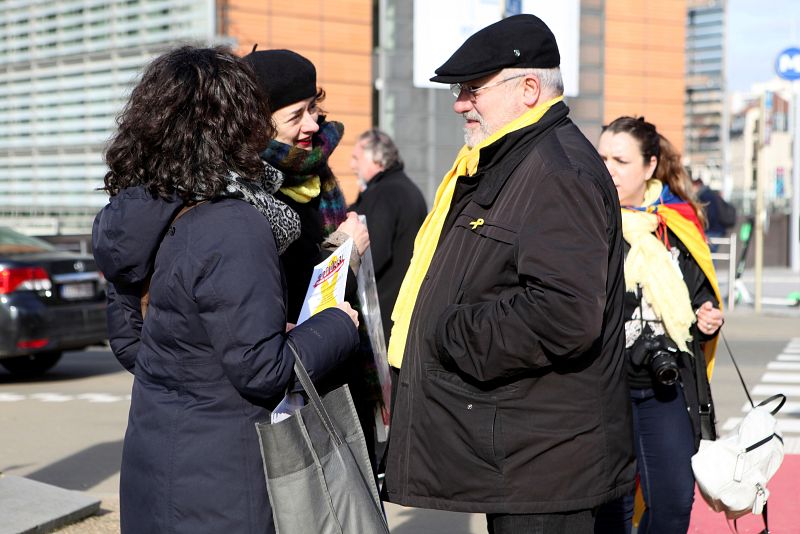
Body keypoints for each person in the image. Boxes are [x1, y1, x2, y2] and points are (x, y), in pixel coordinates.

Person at [382, 15, 635, 534]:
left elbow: (563, 314)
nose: (459, 103)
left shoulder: (555, 172)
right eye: (459, 90)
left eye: (472, 90)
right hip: (526, 457)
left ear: (527, 89)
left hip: (545, 466)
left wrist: (449, 332)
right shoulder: (516, 160)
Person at [91, 46, 360, 534]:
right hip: (225, 478)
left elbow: (133, 342)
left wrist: (204, 356)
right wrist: (338, 324)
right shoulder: (235, 223)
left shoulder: (137, 211)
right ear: (234, 124)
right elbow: (262, 371)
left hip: (157, 460)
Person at [243, 48, 384, 469]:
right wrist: (343, 251)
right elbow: (278, 300)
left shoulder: (315, 175)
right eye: (295, 116)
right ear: (256, 124)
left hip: (339, 371)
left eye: (313, 109)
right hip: (297, 390)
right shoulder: (251, 193)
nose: (312, 125)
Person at [595, 116, 724, 534]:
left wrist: (707, 317)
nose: (608, 168)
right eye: (602, 158)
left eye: (620, 159)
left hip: (664, 385)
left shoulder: (676, 221)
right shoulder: (585, 216)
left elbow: (700, 292)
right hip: (600, 387)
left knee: (672, 505)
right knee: (607, 512)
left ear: (650, 166)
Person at [349, 128, 427, 343]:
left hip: (382, 315)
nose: (352, 165)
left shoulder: (385, 193)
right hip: (401, 309)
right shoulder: (407, 189)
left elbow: (373, 253)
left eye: (356, 158)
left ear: (377, 159)